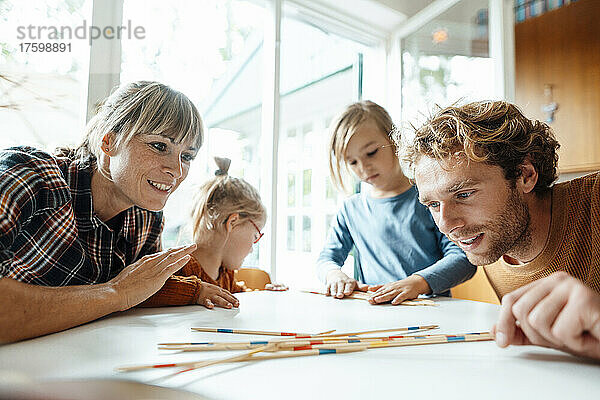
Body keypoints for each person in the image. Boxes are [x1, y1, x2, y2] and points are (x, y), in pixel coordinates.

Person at [0, 81, 234, 344]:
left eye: (187, 156)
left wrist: (196, 290)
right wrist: (115, 293)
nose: (176, 170)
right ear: (109, 142)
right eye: (159, 146)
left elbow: (139, 289)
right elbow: (125, 291)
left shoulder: (146, 218)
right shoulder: (29, 177)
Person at [402, 99, 600, 359]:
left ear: (525, 175)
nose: (446, 224)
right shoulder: (488, 240)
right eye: (433, 204)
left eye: (464, 194)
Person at [316, 101, 475, 305]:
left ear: (394, 141)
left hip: (428, 312)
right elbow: (326, 259)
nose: (363, 167)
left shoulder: (430, 199)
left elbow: (463, 258)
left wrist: (417, 283)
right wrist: (334, 275)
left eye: (371, 152)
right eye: (352, 162)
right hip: (375, 314)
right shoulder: (350, 209)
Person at [143, 157, 286, 309]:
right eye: (255, 236)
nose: (252, 249)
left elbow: (236, 298)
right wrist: (196, 292)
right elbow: (147, 293)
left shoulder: (226, 275)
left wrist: (264, 295)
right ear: (233, 222)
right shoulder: (179, 268)